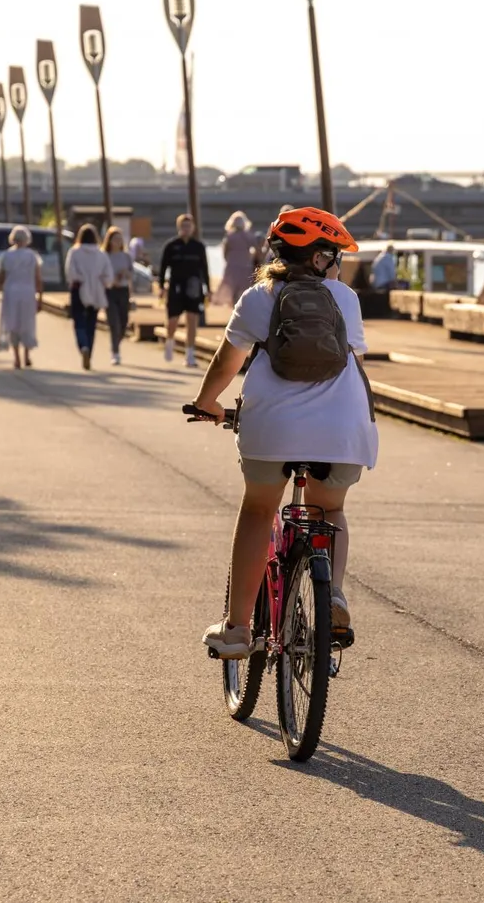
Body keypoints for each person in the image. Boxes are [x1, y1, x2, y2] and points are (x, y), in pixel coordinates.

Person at [191, 207, 377, 659]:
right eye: (333, 255)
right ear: (317, 258)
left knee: (258, 510)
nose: (337, 264)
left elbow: (226, 363)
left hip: (271, 428)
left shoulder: (258, 297)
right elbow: (356, 361)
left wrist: (207, 403)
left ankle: (237, 630)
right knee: (329, 510)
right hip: (343, 432)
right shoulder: (345, 298)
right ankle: (331, 593)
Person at [158, 213, 210, 368]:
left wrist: (208, 289)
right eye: (183, 226)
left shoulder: (198, 247)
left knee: (192, 320)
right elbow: (163, 268)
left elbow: (204, 269)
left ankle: (189, 354)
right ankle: (169, 340)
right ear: (179, 227)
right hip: (175, 286)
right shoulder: (171, 246)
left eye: (188, 226)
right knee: (172, 320)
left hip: (193, 287)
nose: (186, 229)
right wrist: (161, 286)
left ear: (193, 227)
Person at [0, 226, 42, 370]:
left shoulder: (6, 256)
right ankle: (27, 355)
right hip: (28, 293)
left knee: (12, 324)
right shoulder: (32, 256)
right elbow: (38, 279)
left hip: (11, 293)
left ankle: (17, 358)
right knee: (27, 323)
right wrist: (40, 297)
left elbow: (1, 279)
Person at [64, 224, 113, 371]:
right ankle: (89, 353)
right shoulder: (101, 254)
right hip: (96, 290)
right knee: (91, 323)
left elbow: (70, 272)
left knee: (79, 321)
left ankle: (83, 346)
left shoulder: (74, 252)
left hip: (79, 289)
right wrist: (101, 282)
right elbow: (108, 275)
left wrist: (80, 279)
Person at [215, 211, 261, 307]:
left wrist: (228, 260)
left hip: (232, 265)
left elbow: (225, 251)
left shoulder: (229, 236)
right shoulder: (248, 235)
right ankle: (240, 309)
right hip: (245, 265)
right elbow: (257, 249)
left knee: (232, 289)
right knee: (244, 290)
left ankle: (234, 308)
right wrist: (252, 258)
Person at [103, 227, 133, 366]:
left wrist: (126, 273)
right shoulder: (105, 256)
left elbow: (132, 274)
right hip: (109, 291)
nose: (118, 242)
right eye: (115, 239)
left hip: (123, 290)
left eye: (120, 240)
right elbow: (101, 274)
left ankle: (117, 342)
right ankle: (115, 352)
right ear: (109, 241)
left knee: (123, 322)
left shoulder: (126, 256)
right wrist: (111, 279)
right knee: (113, 322)